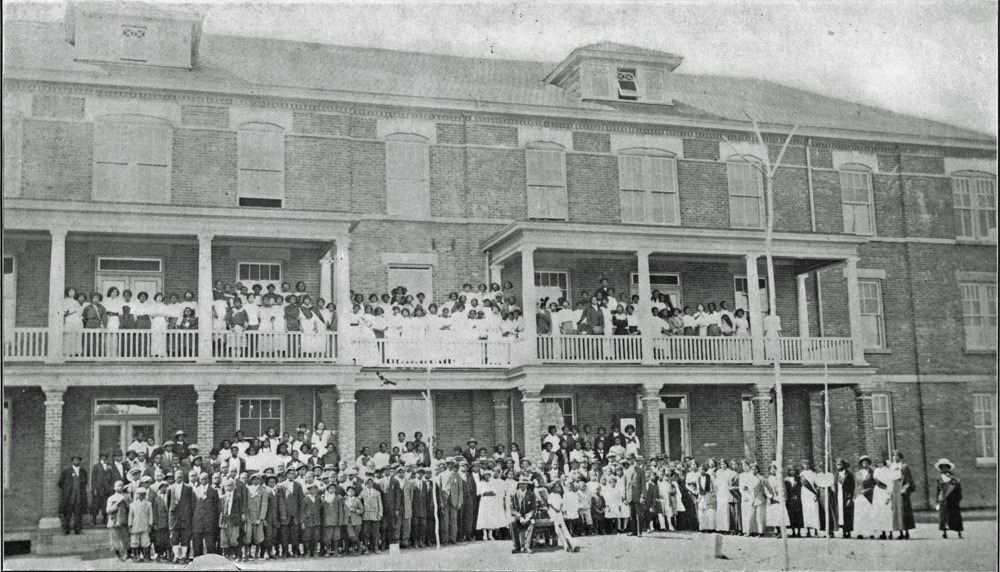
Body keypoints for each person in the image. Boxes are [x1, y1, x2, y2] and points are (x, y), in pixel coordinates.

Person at [165, 469, 195, 563]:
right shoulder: (170, 488)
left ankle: (183, 556)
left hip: (185, 517)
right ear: (174, 478)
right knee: (174, 537)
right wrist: (171, 514)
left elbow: (191, 503)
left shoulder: (188, 488)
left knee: (185, 537)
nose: (179, 479)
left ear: (183, 478)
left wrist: (188, 514)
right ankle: (176, 556)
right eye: (177, 477)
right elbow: (168, 503)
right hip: (174, 517)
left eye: (181, 477)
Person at [58, 454, 89, 535]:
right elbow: (60, 483)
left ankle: (77, 529)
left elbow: (85, 483)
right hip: (69, 497)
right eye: (75, 460)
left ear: (80, 461)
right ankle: (66, 529)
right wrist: (67, 491)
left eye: (78, 460)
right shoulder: (66, 471)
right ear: (72, 461)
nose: (76, 461)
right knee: (67, 513)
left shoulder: (83, 472)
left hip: (79, 496)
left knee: (78, 513)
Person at [891, 451, 916, 540]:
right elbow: (890, 480)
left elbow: (909, 480)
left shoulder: (904, 467)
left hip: (902, 489)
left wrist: (905, 488)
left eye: (897, 456)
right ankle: (900, 532)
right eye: (894, 456)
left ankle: (906, 532)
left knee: (904, 511)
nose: (895, 457)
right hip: (895, 489)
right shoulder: (892, 466)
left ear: (900, 457)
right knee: (896, 511)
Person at [935, 458, 962, 539]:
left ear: (948, 467)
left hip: (952, 500)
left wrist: (957, 499)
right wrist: (937, 501)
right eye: (942, 467)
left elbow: (958, 489)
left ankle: (958, 531)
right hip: (943, 500)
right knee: (943, 516)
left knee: (954, 516)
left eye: (945, 467)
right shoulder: (939, 479)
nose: (943, 468)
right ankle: (944, 531)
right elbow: (938, 490)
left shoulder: (954, 478)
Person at [509, 475, 536, 554]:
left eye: (524, 484)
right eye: (520, 484)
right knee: (512, 522)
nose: (522, 485)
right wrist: (519, 516)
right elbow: (512, 509)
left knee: (532, 523)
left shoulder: (531, 494)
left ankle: (527, 547)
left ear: (527, 485)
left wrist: (529, 516)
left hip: (527, 516)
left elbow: (533, 508)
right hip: (518, 517)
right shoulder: (514, 494)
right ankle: (516, 546)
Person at [106, 480, 131, 561]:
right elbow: (108, 510)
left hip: (124, 520)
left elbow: (132, 507)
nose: (120, 487)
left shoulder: (127, 496)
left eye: (121, 485)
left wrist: (126, 502)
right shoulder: (111, 498)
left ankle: (128, 554)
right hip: (114, 520)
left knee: (126, 538)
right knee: (115, 538)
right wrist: (117, 503)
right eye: (118, 486)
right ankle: (118, 555)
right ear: (114, 487)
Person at [853, 456, 877, 539]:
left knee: (869, 514)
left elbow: (875, 485)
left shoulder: (872, 472)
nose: (864, 463)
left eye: (866, 461)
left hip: (869, 496)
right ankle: (860, 533)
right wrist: (855, 496)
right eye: (863, 462)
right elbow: (856, 485)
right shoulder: (858, 473)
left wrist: (869, 490)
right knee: (860, 514)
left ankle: (871, 533)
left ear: (869, 463)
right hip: (859, 495)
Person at [128, 487, 153, 562]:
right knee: (134, 541)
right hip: (135, 525)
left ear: (145, 495)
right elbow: (130, 516)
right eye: (139, 494)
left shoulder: (148, 504)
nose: (141, 496)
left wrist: (150, 525)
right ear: (137, 495)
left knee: (145, 541)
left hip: (145, 525)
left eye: (143, 494)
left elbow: (150, 515)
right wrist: (130, 525)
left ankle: (146, 557)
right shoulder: (132, 504)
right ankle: (136, 556)